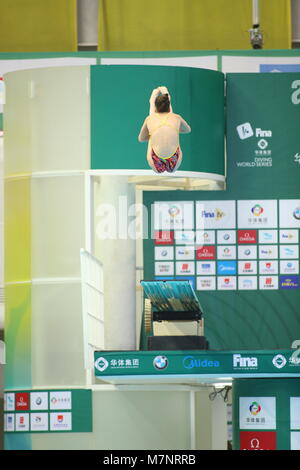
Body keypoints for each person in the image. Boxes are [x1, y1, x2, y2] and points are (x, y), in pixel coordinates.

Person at [138, 86, 191, 173]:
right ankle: (164, 97)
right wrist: (173, 129)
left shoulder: (150, 119)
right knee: (173, 123)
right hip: (174, 163)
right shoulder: (177, 117)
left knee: (151, 130)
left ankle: (152, 101)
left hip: (155, 163)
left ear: (155, 108)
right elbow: (188, 130)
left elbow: (141, 138)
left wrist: (155, 132)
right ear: (169, 107)